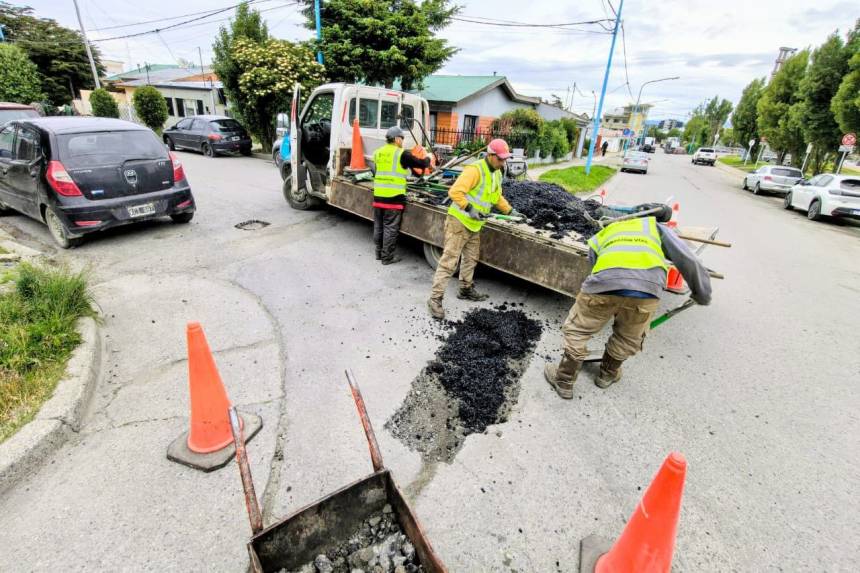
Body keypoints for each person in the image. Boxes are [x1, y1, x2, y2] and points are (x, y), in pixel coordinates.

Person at [544, 210, 712, 398]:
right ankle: (607, 375)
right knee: (628, 335)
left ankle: (564, 381)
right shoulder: (653, 227)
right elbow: (687, 258)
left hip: (605, 282)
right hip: (647, 289)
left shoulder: (605, 231)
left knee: (579, 329)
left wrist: (604, 293)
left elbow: (593, 263)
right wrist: (701, 293)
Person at [427, 139, 524, 319]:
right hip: (459, 221)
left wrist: (511, 211)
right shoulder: (475, 170)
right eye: (500, 159)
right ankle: (435, 299)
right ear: (490, 155)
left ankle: (465, 289)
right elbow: (455, 192)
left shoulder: (496, 173)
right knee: (449, 262)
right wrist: (470, 208)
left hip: (475, 225)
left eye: (505, 159)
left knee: (471, 259)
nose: (503, 162)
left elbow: (496, 197)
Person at [371, 126, 432, 265]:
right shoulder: (402, 154)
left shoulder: (378, 153)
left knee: (379, 226)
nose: (403, 142)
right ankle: (387, 257)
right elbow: (421, 164)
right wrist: (428, 158)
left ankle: (379, 253)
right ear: (397, 139)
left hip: (378, 195)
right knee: (390, 228)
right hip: (393, 198)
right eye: (402, 139)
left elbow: (378, 171)